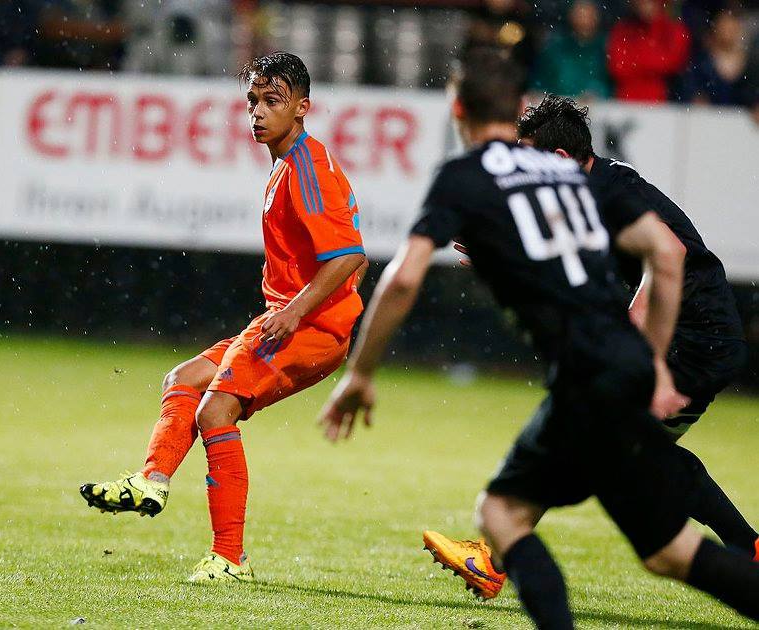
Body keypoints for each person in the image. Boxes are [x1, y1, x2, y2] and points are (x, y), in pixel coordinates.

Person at [319, 51, 759, 627]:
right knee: (666, 547)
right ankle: (747, 547)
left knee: (503, 513)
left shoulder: (478, 176)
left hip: (649, 354)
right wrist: (644, 363)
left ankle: (496, 558)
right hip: (628, 358)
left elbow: (403, 278)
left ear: (457, 110)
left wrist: (360, 372)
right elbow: (643, 252)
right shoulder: (568, 178)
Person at [426, 93, 755, 602]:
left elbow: (666, 255)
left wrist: (643, 361)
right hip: (702, 338)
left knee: (590, 435)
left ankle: (495, 555)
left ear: (557, 161)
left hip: (694, 341)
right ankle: (749, 550)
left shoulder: (607, 190)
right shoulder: (589, 187)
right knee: (632, 450)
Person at [80, 51, 368, 582]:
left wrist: (305, 312)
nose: (257, 112)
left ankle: (230, 558)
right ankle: (152, 480)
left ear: (303, 107)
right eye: (252, 102)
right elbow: (351, 263)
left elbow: (350, 254)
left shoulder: (306, 166)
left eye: (271, 101)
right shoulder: (288, 164)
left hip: (305, 325)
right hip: (301, 319)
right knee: (184, 380)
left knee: (215, 413)